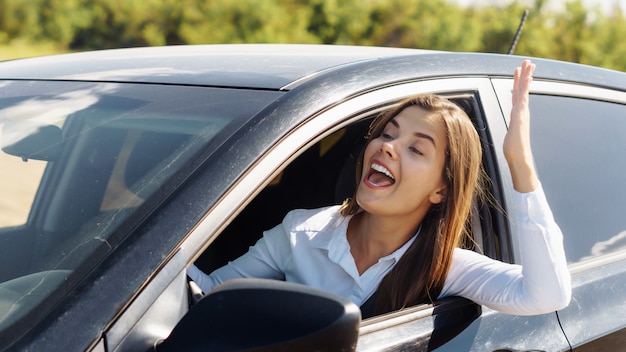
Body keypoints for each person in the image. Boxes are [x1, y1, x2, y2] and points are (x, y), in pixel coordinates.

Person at [188, 60, 571, 317]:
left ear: (440, 189)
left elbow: (546, 295)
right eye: (387, 133)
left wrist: (520, 162)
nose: (387, 146)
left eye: (416, 148)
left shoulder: (443, 267)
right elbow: (206, 297)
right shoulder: (301, 232)